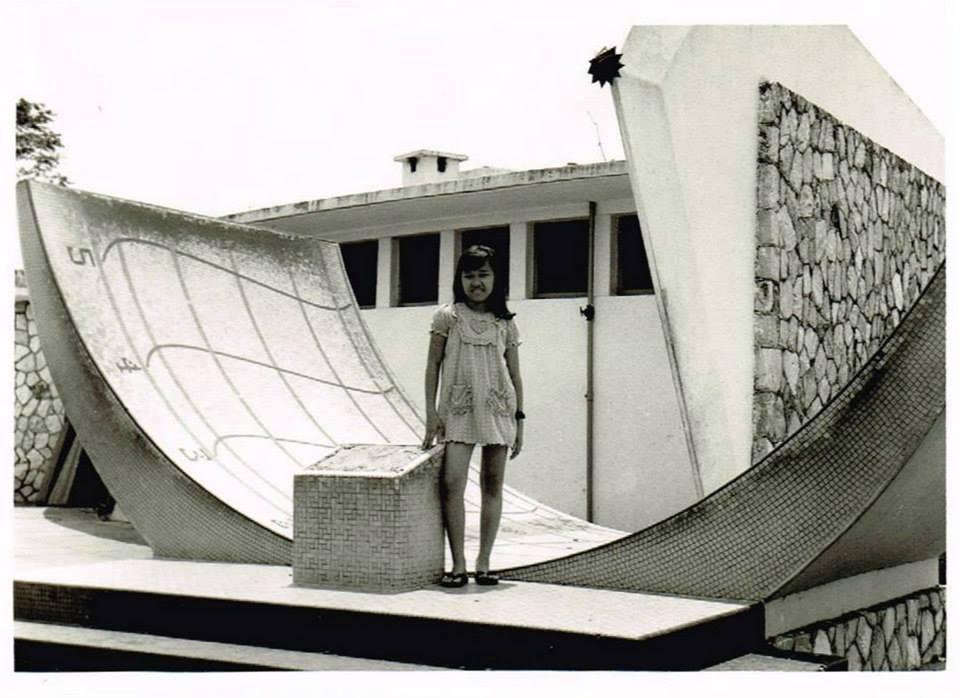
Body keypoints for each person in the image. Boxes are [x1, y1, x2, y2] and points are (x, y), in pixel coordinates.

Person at [422, 244, 524, 588]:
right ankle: (459, 564)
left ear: (496, 279)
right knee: (452, 484)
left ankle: (484, 563)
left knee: (492, 486)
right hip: (458, 409)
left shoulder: (505, 322)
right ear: (459, 279)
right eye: (469, 275)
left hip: (498, 409)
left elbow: (515, 374)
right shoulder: (447, 317)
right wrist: (431, 413)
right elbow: (432, 366)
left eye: (483, 274)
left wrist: (520, 420)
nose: (476, 282)